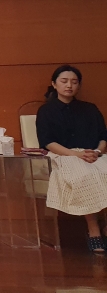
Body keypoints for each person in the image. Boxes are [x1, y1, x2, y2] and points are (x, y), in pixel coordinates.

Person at [35, 65, 107, 253]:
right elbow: (47, 142)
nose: (69, 86)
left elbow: (103, 137)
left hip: (93, 154)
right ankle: (94, 229)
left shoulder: (90, 109)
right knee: (85, 175)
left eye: (74, 82)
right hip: (63, 155)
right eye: (64, 81)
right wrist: (76, 155)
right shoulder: (46, 111)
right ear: (54, 84)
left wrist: (97, 152)